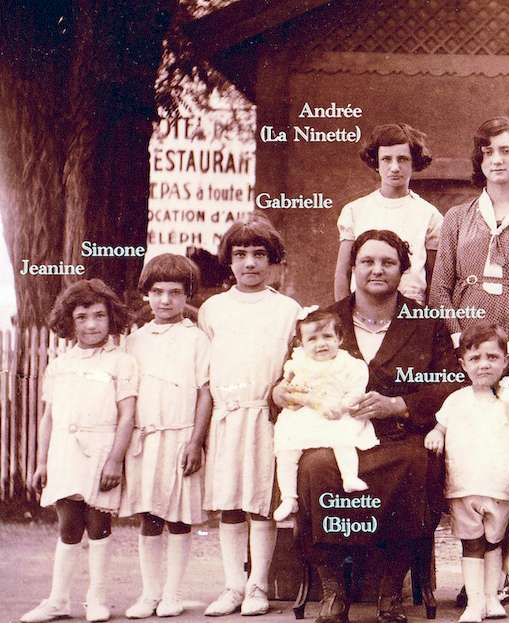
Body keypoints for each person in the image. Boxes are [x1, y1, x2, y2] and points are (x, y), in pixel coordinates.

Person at [275, 229, 460, 623]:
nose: (377, 270)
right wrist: (282, 392)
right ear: (353, 268)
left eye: (388, 262)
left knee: (415, 464)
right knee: (316, 467)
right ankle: (333, 590)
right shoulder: (325, 319)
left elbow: (450, 384)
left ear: (403, 269)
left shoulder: (426, 322)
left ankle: (390, 590)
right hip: (333, 433)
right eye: (367, 262)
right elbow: (289, 378)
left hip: (399, 437)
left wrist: (400, 405)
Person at [198, 214, 301, 617]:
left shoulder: (287, 310)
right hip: (226, 417)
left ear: (273, 260)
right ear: (229, 260)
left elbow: (291, 367)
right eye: (240, 254)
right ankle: (233, 585)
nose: (250, 263)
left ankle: (258, 584)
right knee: (229, 502)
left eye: (259, 254)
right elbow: (207, 373)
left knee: (261, 501)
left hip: (265, 417)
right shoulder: (213, 309)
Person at [424, 324, 509, 622]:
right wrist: (435, 435)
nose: (483, 364)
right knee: (472, 544)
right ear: (463, 364)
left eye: (492, 357)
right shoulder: (456, 400)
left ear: (505, 361)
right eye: (475, 358)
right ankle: (475, 603)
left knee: (494, 542)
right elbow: (439, 428)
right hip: (464, 485)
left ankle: (491, 597)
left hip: (500, 485)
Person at [21, 280, 137, 623]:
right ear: (69, 321)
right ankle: (58, 600)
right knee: (68, 525)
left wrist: (115, 460)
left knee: (98, 524)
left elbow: (127, 415)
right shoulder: (59, 365)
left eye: (99, 315)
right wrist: (42, 462)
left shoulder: (122, 362)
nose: (91, 325)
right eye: (82, 317)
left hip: (102, 450)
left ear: (111, 317)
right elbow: (48, 417)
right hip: (64, 452)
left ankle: (96, 598)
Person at [120, 254, 212, 619]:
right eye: (157, 291)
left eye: (175, 292)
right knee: (149, 516)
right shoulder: (135, 341)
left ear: (187, 295)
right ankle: (150, 593)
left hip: (181, 438)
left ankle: (173, 594)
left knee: (178, 517)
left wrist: (196, 442)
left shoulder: (197, 339)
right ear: (147, 293)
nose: (165, 300)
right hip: (146, 439)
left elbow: (205, 393)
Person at [429, 116, 509, 354]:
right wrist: (459, 340)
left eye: (506, 151)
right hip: (463, 343)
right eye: (488, 152)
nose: (497, 160)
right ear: (479, 160)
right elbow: (439, 289)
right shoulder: (456, 217)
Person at [272, 306, 372, 522]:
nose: (321, 344)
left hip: (337, 412)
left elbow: (357, 390)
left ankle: (349, 477)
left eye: (327, 336)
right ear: (301, 344)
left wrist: (343, 406)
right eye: (312, 339)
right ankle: (288, 497)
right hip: (305, 414)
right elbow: (287, 388)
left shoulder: (349, 364)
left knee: (343, 438)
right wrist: (298, 395)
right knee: (287, 449)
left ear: (340, 338)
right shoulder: (298, 363)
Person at [335, 122, 443, 303]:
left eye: (402, 159)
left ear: (414, 163)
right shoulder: (355, 211)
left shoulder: (429, 215)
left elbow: (435, 280)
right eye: (386, 159)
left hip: (410, 309)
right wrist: (343, 315)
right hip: (362, 308)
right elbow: (343, 273)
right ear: (376, 163)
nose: (394, 167)